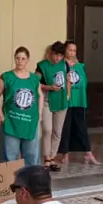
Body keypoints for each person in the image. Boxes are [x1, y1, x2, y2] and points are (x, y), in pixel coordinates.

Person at [56, 40, 100, 167]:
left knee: (81, 127)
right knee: (66, 127)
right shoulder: (61, 65)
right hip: (67, 101)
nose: (72, 53)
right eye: (70, 50)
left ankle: (88, 152)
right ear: (65, 50)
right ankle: (65, 153)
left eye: (74, 50)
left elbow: (83, 82)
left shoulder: (80, 66)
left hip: (79, 101)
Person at [0, 47, 41, 166]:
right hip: (11, 123)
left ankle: (30, 182)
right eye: (17, 58)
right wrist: (1, 116)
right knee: (10, 156)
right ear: (14, 59)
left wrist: (39, 115)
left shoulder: (34, 79)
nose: (20, 61)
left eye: (23, 59)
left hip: (30, 123)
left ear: (27, 60)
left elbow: (40, 96)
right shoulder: (6, 77)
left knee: (31, 156)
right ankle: (9, 183)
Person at [37, 42, 70, 171]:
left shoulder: (65, 64)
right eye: (56, 55)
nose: (58, 58)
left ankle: (52, 157)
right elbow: (35, 83)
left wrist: (67, 96)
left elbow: (67, 79)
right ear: (51, 53)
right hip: (46, 99)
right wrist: (49, 87)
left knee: (57, 131)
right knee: (47, 129)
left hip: (61, 101)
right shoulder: (42, 66)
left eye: (60, 55)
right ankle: (46, 157)